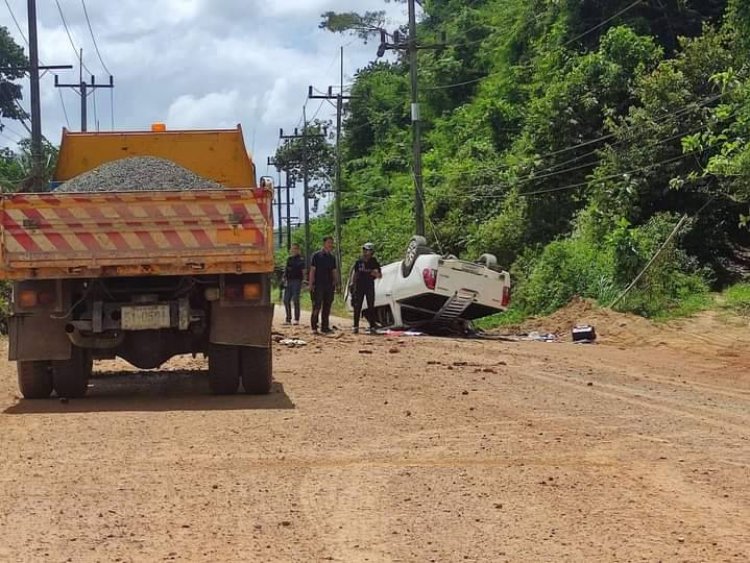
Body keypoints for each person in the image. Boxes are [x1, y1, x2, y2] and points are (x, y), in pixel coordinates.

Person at [348, 242, 382, 334]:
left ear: (371, 252)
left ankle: (372, 326)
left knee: (371, 306)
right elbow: (356, 274)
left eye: (368, 250)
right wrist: (352, 284)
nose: (366, 252)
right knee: (357, 306)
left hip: (369, 286)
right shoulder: (359, 261)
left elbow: (379, 275)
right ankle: (355, 326)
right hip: (359, 286)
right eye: (364, 250)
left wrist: (374, 273)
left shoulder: (374, 262)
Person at [309, 236, 338, 334]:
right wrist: (311, 283)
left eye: (332, 242)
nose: (331, 244)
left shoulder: (332, 257)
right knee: (317, 306)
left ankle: (325, 327)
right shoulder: (316, 256)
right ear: (324, 243)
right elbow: (312, 270)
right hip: (318, 284)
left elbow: (334, 271)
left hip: (329, 285)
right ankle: (314, 327)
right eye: (329, 242)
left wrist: (336, 281)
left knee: (327, 306)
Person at [282, 243, 305, 325]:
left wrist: (304, 281)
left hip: (297, 281)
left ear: (298, 250)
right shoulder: (289, 259)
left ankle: (296, 319)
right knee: (285, 300)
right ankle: (288, 319)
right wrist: (284, 278)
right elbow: (286, 269)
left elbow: (303, 272)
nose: (294, 250)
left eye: (295, 248)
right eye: (293, 249)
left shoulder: (301, 260)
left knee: (295, 299)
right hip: (289, 281)